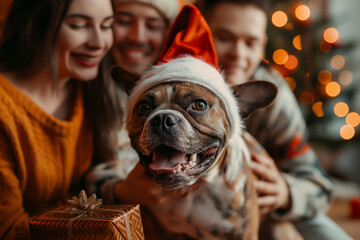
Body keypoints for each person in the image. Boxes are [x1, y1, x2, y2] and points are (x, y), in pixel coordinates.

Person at [195, 0, 352, 239]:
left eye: (251, 42)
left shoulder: (274, 95)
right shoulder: (169, 85)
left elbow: (319, 186)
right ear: (200, 33)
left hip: (257, 209)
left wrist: (285, 192)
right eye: (225, 37)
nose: (238, 54)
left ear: (263, 45)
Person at [0, 0, 121, 238]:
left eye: (107, 26)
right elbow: (9, 231)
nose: (99, 42)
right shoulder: (6, 111)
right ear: (34, 25)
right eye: (78, 25)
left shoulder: (94, 91)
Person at [86, 0, 182, 205]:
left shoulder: (187, 86)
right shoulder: (84, 89)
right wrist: (118, 191)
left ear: (168, 31)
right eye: (124, 21)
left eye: (153, 25)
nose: (137, 37)